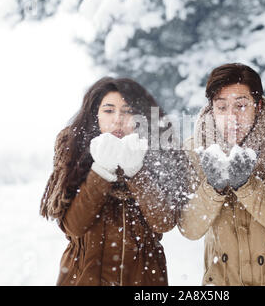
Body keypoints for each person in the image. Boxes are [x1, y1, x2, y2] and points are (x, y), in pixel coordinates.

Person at [40, 77, 186, 286]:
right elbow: (74, 226)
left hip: (144, 279)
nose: (118, 119)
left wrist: (137, 172)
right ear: (95, 115)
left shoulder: (156, 153)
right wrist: (101, 171)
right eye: (109, 111)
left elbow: (163, 222)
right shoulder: (74, 153)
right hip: (83, 277)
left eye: (127, 111)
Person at [178, 63, 265, 286]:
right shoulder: (195, 151)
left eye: (241, 106)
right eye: (221, 108)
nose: (232, 117)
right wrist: (213, 188)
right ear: (212, 109)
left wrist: (246, 186)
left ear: (257, 105)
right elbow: (190, 229)